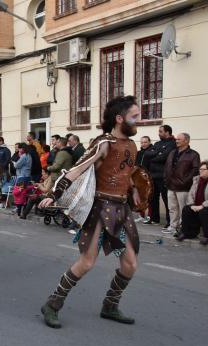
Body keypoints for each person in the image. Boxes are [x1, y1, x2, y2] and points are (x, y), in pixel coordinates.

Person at [39, 95, 143, 329]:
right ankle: (52, 304)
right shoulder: (103, 143)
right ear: (119, 119)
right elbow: (77, 169)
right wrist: (52, 195)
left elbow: (127, 173)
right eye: (134, 116)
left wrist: (134, 189)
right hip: (100, 209)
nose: (139, 119)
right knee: (87, 262)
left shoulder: (132, 145)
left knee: (130, 265)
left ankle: (110, 305)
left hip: (121, 210)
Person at [163, 132, 201, 235]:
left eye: (179, 139)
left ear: (186, 141)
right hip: (171, 185)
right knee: (172, 208)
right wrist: (166, 179)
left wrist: (185, 181)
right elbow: (167, 167)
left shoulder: (193, 154)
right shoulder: (172, 152)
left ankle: (182, 228)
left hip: (183, 187)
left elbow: (195, 170)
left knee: (183, 209)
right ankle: (173, 226)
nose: (176, 140)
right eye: (176, 139)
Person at [143, 125, 176, 226]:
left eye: (161, 131)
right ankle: (154, 219)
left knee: (166, 199)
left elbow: (164, 157)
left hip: (163, 176)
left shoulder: (172, 144)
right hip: (153, 175)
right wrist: (157, 153)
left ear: (167, 132)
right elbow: (147, 153)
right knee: (153, 198)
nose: (159, 133)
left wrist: (154, 156)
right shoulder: (157, 143)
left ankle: (169, 221)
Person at [176, 160, 208, 245]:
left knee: (204, 212)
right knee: (186, 209)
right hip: (197, 206)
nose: (201, 171)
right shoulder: (197, 180)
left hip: (205, 207)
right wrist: (192, 204)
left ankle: (206, 236)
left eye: (204, 169)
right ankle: (187, 233)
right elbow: (190, 194)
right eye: (200, 169)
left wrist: (202, 206)